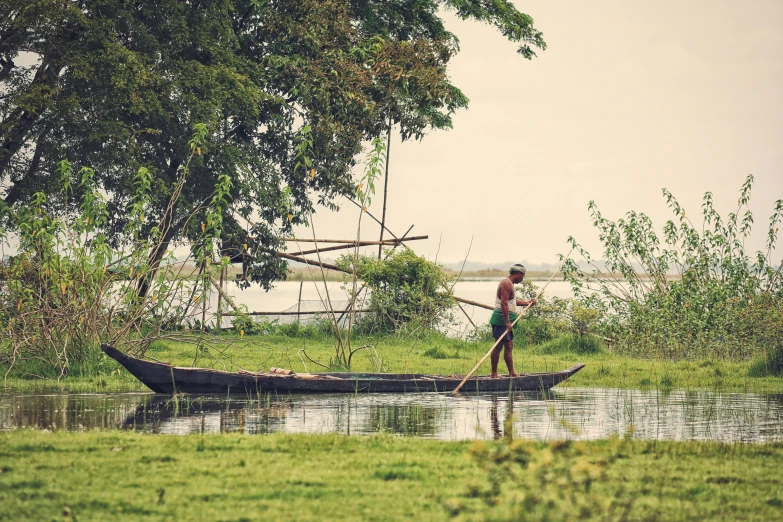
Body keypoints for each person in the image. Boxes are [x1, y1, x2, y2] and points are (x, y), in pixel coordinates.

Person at [489, 263, 536, 378]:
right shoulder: (506, 283)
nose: (522, 279)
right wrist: (507, 322)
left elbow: (511, 302)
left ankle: (512, 373)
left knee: (509, 345)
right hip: (501, 319)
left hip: (504, 319)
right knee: (498, 346)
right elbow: (504, 303)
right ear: (518, 274)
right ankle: (494, 373)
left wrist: (526, 303)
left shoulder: (510, 284)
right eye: (523, 276)